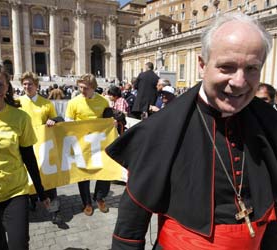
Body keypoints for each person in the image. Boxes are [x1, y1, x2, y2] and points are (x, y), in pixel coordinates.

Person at [106, 12, 277, 249]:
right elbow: (130, 228)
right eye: (227, 67)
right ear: (202, 65)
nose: (239, 81)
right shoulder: (160, 129)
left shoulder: (270, 122)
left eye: (252, 68)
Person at [0, 63, 50, 250]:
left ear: (8, 87)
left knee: (19, 245)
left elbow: (29, 157)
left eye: (0, 84)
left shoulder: (20, 118)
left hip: (15, 192)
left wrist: (41, 193)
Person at [19, 71, 63, 224]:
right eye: (24, 84)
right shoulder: (17, 103)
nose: (27, 86)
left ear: (37, 86)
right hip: (25, 147)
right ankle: (32, 201)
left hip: (44, 146)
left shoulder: (46, 103)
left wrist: (53, 120)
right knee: (29, 177)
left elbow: (59, 119)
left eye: (30, 84)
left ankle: (55, 212)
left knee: (50, 181)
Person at [65, 73, 111, 216]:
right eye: (80, 88)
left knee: (104, 170)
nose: (82, 91)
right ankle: (86, 202)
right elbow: (68, 121)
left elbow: (107, 120)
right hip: (81, 144)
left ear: (93, 88)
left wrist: (112, 122)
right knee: (83, 175)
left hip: (99, 143)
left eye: (85, 88)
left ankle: (100, 197)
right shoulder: (73, 102)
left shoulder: (103, 101)